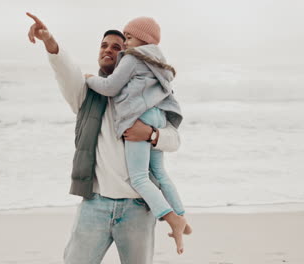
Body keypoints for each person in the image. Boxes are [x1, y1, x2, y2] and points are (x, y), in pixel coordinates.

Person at [26, 12, 185, 264]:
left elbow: (174, 140)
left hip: (138, 208)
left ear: (129, 54)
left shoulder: (148, 95)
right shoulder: (86, 93)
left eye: (117, 46)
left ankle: (179, 218)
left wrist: (152, 135)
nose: (108, 50)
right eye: (103, 45)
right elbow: (66, 70)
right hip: (95, 206)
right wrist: (49, 41)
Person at [84, 16, 192, 254]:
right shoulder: (157, 59)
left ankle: (174, 220)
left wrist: (90, 80)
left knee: (139, 178)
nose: (125, 39)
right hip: (157, 116)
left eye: (129, 35)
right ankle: (181, 214)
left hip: (139, 118)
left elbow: (111, 86)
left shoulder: (132, 57)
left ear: (144, 38)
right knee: (159, 173)